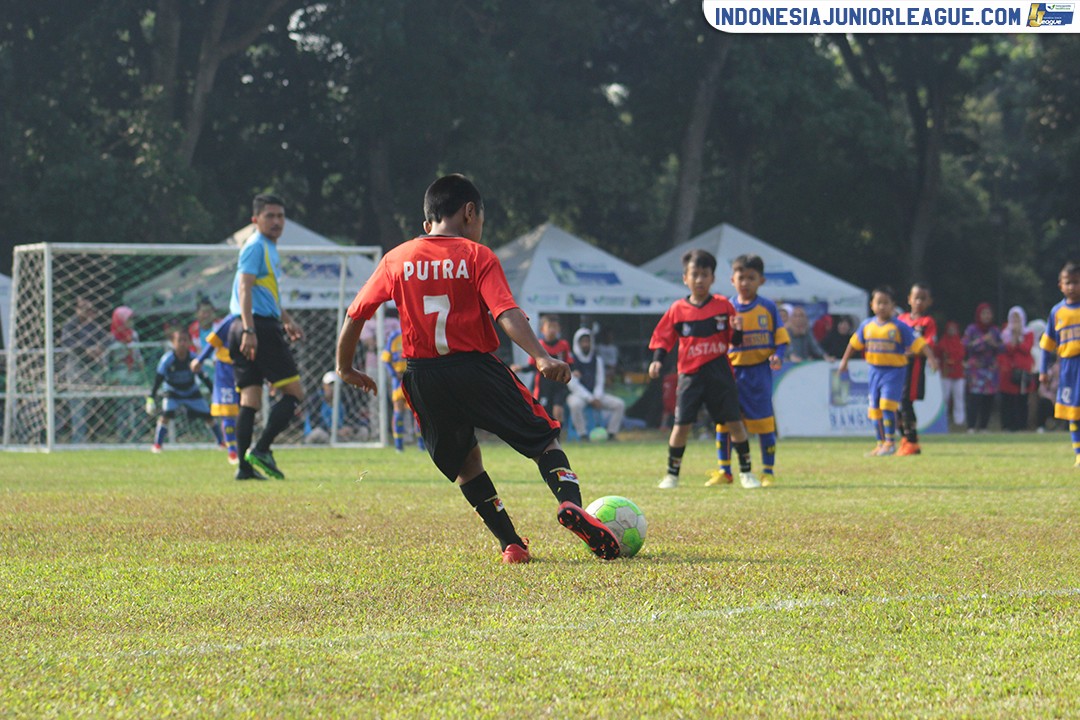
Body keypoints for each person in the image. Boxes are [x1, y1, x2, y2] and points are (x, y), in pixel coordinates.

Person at [335, 174, 619, 563]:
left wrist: (345, 366)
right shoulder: (476, 255)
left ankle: (511, 544)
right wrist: (540, 355)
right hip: (476, 368)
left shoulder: (396, 259)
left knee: (466, 463)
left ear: (427, 223)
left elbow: (355, 314)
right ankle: (571, 505)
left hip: (423, 377)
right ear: (470, 212)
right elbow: (506, 312)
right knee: (544, 440)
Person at [648, 249, 757, 490]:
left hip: (719, 371)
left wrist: (738, 330)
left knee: (734, 422)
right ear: (685, 278)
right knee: (681, 425)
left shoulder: (723, 306)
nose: (699, 280)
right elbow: (663, 336)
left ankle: (747, 473)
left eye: (704, 274)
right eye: (694, 274)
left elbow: (735, 341)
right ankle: (671, 475)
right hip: (690, 374)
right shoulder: (678, 309)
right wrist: (657, 359)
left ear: (713, 278)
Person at [227, 193, 305, 480]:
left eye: (280, 216)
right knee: (295, 393)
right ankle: (261, 449)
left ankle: (244, 468)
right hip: (255, 328)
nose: (276, 221)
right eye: (270, 216)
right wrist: (250, 329)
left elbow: (262, 292)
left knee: (250, 399)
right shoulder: (256, 247)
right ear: (255, 219)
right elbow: (244, 289)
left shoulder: (267, 248)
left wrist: (286, 320)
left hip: (248, 326)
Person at [715, 254, 789, 487]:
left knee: (764, 424)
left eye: (751, 278)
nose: (745, 283)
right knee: (725, 423)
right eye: (741, 278)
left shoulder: (768, 308)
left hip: (758, 374)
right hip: (731, 373)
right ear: (732, 280)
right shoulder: (726, 308)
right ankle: (724, 471)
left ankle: (768, 472)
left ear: (761, 281)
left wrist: (778, 355)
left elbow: (782, 339)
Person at [838, 286, 938, 456]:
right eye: (879, 302)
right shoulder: (867, 325)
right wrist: (844, 361)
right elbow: (854, 343)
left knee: (887, 406)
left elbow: (919, 343)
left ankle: (890, 443)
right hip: (874, 371)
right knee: (874, 408)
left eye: (886, 303)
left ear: (893, 306)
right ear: (872, 305)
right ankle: (880, 444)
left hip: (894, 372)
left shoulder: (899, 326)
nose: (882, 306)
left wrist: (931, 358)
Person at [146, 329, 225, 453]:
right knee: (166, 415)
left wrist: (215, 393)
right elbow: (158, 380)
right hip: (173, 391)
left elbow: (203, 377)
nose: (182, 343)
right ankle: (157, 445)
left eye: (185, 340)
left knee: (208, 416)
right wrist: (151, 398)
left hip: (191, 391)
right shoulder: (167, 360)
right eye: (179, 340)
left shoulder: (193, 358)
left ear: (189, 342)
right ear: (173, 342)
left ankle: (221, 442)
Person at [1038, 261, 1080, 466]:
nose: (1072, 287)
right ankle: (1079, 453)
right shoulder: (1057, 312)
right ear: (1060, 285)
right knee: (1073, 411)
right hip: (1068, 367)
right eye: (1068, 282)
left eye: (1077, 282)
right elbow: (1047, 345)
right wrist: (1043, 370)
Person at [191, 313, 240, 464]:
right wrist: (199, 360)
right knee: (228, 411)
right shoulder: (232, 320)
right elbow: (214, 342)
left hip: (245, 367)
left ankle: (244, 446)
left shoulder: (259, 317)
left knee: (245, 410)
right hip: (226, 371)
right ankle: (232, 450)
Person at [60, 295, 110, 443]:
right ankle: (78, 441)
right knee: (77, 407)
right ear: (77, 309)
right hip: (76, 370)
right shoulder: (70, 325)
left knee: (91, 407)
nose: (88, 312)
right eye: (84, 308)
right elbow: (67, 342)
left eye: (90, 309)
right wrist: (86, 350)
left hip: (93, 371)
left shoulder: (94, 325)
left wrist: (99, 348)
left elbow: (107, 338)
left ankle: (90, 439)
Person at [896, 283, 937, 455]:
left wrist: (912, 350)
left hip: (914, 368)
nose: (919, 301)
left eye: (923, 298)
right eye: (916, 297)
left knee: (906, 402)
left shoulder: (927, 322)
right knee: (894, 404)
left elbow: (928, 343)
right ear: (909, 299)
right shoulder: (901, 319)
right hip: (897, 366)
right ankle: (906, 438)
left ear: (928, 302)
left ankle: (912, 441)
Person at [566, 327, 625, 441]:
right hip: (578, 395)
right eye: (583, 342)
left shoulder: (597, 360)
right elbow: (573, 384)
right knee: (575, 405)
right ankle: (583, 435)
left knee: (619, 404)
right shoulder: (572, 360)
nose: (585, 344)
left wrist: (596, 397)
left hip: (597, 395)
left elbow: (599, 381)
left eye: (587, 341)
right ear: (577, 343)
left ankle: (611, 434)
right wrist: (589, 398)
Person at [517, 315, 572, 429]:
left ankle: (558, 438)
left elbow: (569, 363)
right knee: (542, 413)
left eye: (555, 327)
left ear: (559, 329)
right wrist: (520, 368)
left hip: (559, 385)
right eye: (550, 326)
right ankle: (543, 435)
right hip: (543, 386)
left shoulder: (563, 345)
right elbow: (533, 366)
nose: (552, 330)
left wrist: (574, 371)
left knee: (558, 411)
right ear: (542, 329)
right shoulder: (539, 346)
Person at [106, 305, 146, 440]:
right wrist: (109, 376)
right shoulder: (112, 337)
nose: (131, 322)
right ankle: (122, 437)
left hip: (134, 374)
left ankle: (138, 436)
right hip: (120, 374)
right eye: (128, 319)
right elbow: (107, 359)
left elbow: (138, 353)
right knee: (122, 408)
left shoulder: (134, 335)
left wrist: (142, 369)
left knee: (139, 406)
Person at [382, 326, 424, 451]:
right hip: (398, 381)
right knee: (399, 411)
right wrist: (394, 374)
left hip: (413, 379)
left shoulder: (417, 334)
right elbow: (385, 360)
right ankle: (398, 446)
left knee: (418, 413)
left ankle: (422, 445)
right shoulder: (394, 336)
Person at [962, 302, 1001, 432]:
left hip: (990, 371)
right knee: (974, 398)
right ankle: (971, 426)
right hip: (975, 371)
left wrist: (993, 343)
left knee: (988, 400)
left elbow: (1002, 348)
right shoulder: (972, 329)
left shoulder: (994, 330)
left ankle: (984, 426)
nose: (986, 316)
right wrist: (983, 340)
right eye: (984, 313)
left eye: (989, 313)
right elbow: (966, 345)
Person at [998, 306, 1035, 431]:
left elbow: (1026, 349)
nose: (1015, 321)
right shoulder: (1005, 333)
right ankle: (1008, 425)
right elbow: (1009, 350)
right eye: (1013, 318)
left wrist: (1019, 336)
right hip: (1009, 372)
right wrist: (1013, 336)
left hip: (1023, 372)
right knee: (1008, 399)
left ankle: (1021, 425)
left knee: (1022, 399)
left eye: (1017, 318)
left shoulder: (1028, 333)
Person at [935, 320, 966, 428]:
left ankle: (959, 421)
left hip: (958, 373)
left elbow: (961, 355)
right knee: (945, 397)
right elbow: (938, 354)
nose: (952, 330)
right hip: (946, 373)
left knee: (959, 397)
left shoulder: (959, 342)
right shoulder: (943, 342)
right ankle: (944, 419)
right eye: (950, 328)